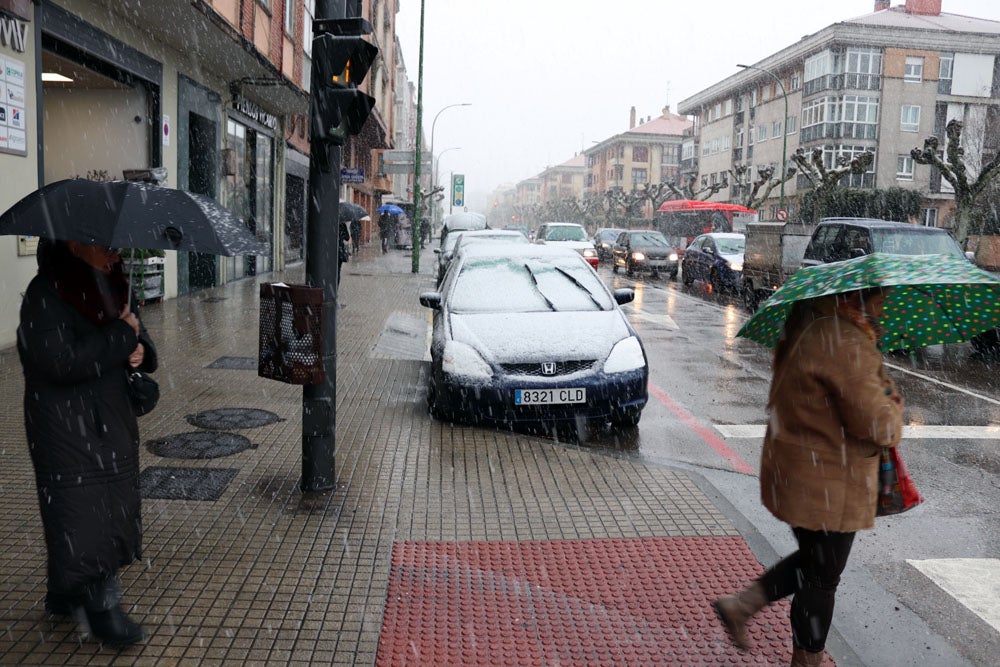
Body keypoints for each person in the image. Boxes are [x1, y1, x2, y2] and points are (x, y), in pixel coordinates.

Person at [713, 287, 903, 667]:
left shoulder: (811, 323)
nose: (885, 303)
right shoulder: (845, 339)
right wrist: (895, 407)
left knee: (814, 563)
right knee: (822, 577)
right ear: (860, 297)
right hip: (829, 477)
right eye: (881, 296)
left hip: (801, 466)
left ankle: (742, 606)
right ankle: (805, 659)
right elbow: (876, 423)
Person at [17, 239, 157, 646]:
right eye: (106, 245)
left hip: (109, 418)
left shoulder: (114, 286)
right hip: (65, 424)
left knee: (101, 506)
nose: (116, 253)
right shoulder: (46, 294)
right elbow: (57, 361)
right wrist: (119, 338)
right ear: (76, 245)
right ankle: (102, 610)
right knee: (83, 509)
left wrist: (140, 351)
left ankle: (64, 592)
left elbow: (138, 339)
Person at [338, 219, 351, 286]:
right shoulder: (342, 225)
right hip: (339, 250)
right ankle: (335, 289)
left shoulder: (330, 223)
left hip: (331, 250)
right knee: (338, 271)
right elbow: (347, 238)